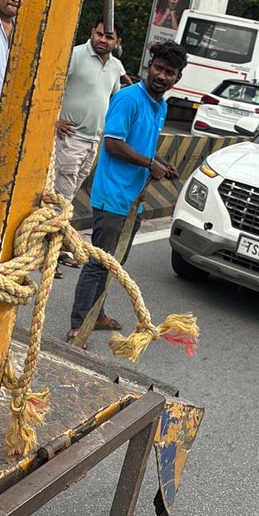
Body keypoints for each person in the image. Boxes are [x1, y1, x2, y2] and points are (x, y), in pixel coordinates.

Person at [67, 42, 189, 342]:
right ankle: (78, 325)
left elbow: (142, 144)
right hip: (113, 196)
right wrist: (149, 164)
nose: (161, 76)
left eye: (169, 73)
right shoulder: (128, 99)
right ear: (149, 66)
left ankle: (97, 314)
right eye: (158, 68)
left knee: (115, 262)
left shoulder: (160, 105)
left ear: (177, 78)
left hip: (133, 201)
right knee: (99, 263)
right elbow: (113, 144)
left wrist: (160, 162)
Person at [53, 18, 127, 276]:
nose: (102, 40)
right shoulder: (75, 55)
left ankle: (54, 246)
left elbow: (115, 100)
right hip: (69, 138)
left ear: (117, 42)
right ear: (92, 32)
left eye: (109, 37)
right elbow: (52, 85)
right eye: (99, 34)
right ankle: (52, 252)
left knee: (68, 195)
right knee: (61, 197)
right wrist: (55, 118)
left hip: (93, 141)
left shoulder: (116, 67)